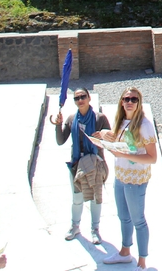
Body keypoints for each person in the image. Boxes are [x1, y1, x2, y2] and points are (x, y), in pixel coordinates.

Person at [98, 88, 157, 268]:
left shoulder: (144, 126)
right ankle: (125, 252)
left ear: (139, 103)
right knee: (124, 217)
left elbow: (152, 158)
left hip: (136, 180)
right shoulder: (121, 122)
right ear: (121, 102)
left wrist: (125, 156)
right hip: (121, 176)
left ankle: (142, 262)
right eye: (126, 99)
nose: (130, 102)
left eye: (134, 99)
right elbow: (120, 144)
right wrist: (103, 137)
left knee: (138, 219)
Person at [53, 88, 110, 243]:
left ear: (89, 98)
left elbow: (111, 140)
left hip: (95, 162)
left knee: (95, 198)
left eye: (83, 96)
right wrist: (58, 125)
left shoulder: (100, 118)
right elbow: (60, 140)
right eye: (77, 98)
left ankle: (95, 229)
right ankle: (75, 226)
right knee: (77, 198)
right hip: (77, 163)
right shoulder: (72, 119)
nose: (80, 100)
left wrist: (103, 136)